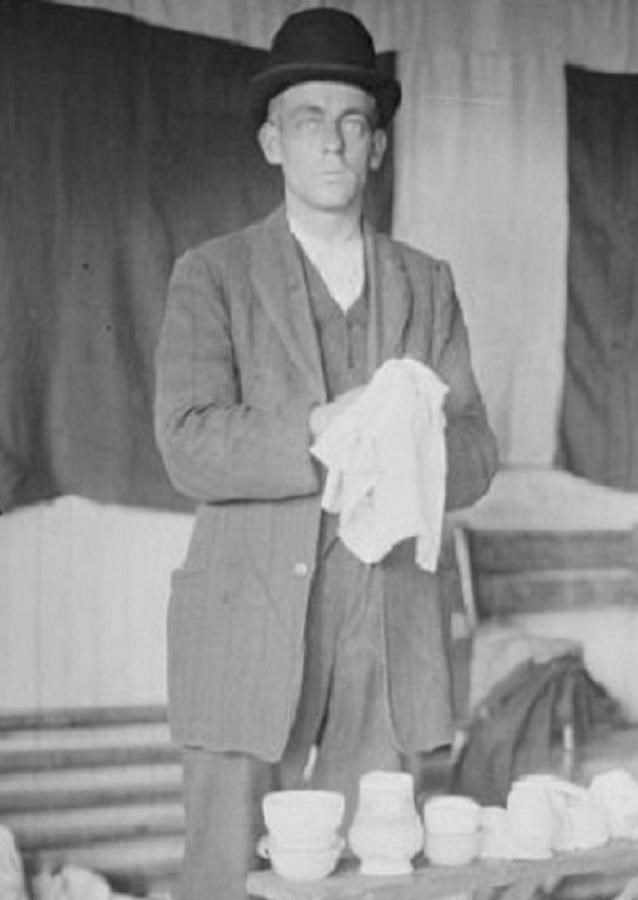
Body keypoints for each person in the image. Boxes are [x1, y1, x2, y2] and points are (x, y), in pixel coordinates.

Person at [152, 8, 499, 899]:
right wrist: (321, 431)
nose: (333, 144)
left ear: (377, 148)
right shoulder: (212, 274)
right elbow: (188, 445)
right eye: (309, 121)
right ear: (273, 142)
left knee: (372, 878)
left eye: (353, 123)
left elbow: (477, 453)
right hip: (248, 622)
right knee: (226, 881)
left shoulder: (427, 282)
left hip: (385, 634)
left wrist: (408, 444)